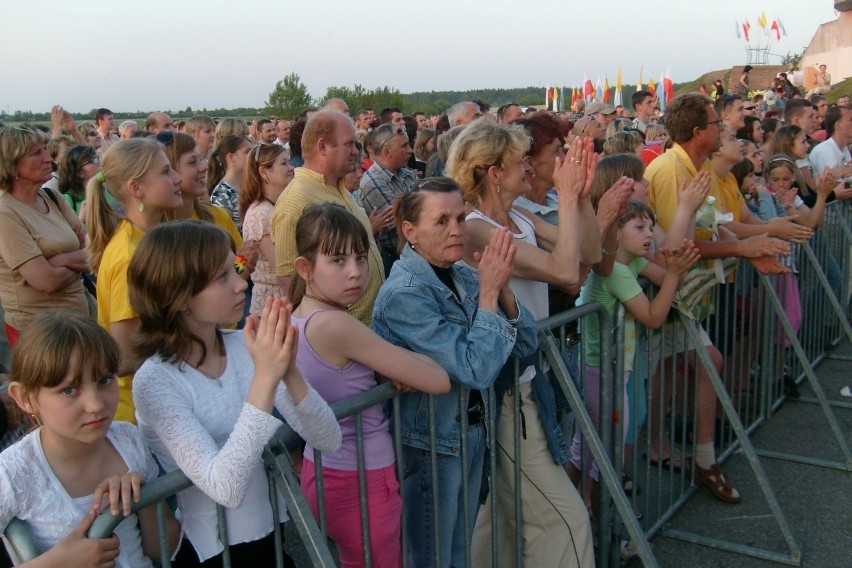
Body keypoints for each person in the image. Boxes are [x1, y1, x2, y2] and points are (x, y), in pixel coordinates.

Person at [128, 221, 342, 566]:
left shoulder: (243, 347)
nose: (241, 283)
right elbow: (224, 488)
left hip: (271, 540)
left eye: (235, 270)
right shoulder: (155, 381)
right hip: (212, 552)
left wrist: (288, 370)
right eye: (222, 277)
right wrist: (266, 378)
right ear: (181, 297)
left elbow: (328, 438)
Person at [446, 120, 596, 566]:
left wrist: (582, 196)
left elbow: (587, 255)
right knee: (565, 521)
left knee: (501, 521)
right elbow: (565, 272)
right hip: (504, 390)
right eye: (518, 161)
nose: (528, 168)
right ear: (493, 172)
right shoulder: (475, 228)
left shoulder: (518, 216)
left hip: (529, 377)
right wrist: (565, 198)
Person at [372, 177, 537, 567]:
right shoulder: (405, 294)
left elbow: (528, 347)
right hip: (432, 445)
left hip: (472, 433)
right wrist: (488, 296)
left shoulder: (463, 274)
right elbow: (475, 368)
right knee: (432, 556)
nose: (457, 230)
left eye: (461, 218)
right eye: (441, 221)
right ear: (410, 232)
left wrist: (505, 293)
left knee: (460, 551)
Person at [290, 203, 449, 567]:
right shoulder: (336, 325)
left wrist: (388, 365)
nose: (355, 272)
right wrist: (407, 363)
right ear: (304, 267)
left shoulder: (300, 315)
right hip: (361, 479)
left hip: (324, 471)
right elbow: (437, 379)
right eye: (337, 261)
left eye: (361, 258)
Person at [1, 311, 178, 568]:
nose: (95, 405)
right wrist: (58, 563)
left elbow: (165, 549)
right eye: (69, 390)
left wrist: (143, 498)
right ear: (25, 397)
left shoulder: (129, 440)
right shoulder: (13, 472)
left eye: (104, 380)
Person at [573, 201, 700, 518]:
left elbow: (669, 281)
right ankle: (598, 515)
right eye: (639, 228)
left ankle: (583, 508)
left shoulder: (633, 264)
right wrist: (674, 273)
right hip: (600, 371)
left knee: (590, 444)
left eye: (649, 228)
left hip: (612, 369)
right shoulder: (616, 271)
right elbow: (655, 316)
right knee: (603, 446)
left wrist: (675, 269)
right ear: (616, 231)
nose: (649, 236)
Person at [85, 138, 184, 423]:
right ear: (136, 188)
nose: (177, 178)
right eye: (165, 172)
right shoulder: (131, 255)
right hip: (145, 411)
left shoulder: (149, 238)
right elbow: (124, 358)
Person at [270, 110, 384, 327]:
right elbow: (290, 281)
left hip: (365, 328)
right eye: (349, 144)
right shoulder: (295, 200)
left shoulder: (339, 188)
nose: (356, 152)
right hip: (341, 337)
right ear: (323, 147)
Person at [0, 126, 91, 347]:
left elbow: (93, 247)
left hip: (79, 321)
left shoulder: (52, 196)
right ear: (11, 165)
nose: (47, 158)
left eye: (45, 150)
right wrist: (80, 263)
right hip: (41, 337)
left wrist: (61, 260)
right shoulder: (5, 213)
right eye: (36, 153)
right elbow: (46, 281)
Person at [241, 143, 294, 316]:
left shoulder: (276, 207)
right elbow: (282, 268)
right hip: (272, 307)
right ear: (264, 172)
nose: (291, 168)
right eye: (284, 163)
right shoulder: (260, 214)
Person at [358, 124, 417, 274]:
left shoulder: (403, 172)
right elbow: (408, 222)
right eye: (404, 146)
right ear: (387, 151)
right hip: (397, 262)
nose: (410, 150)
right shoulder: (373, 183)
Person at [208, 134, 252, 232]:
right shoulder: (222, 193)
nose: (252, 156)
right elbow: (223, 232)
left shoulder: (250, 184)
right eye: (247, 152)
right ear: (231, 157)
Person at [57, 144, 100, 216]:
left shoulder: (109, 187)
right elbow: (68, 227)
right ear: (80, 172)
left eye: (98, 158)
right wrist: (81, 220)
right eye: (93, 160)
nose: (99, 163)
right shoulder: (68, 199)